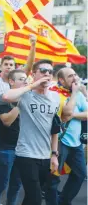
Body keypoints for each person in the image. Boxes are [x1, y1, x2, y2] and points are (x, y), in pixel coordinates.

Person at [0, 34, 36, 205]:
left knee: (12, 179)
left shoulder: (19, 84)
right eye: (5, 64)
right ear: (1, 66)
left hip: (16, 137)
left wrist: (32, 45)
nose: (8, 67)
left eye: (11, 65)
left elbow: (28, 67)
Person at [2, 59, 62, 205]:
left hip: (45, 155)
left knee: (31, 197)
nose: (47, 73)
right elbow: (6, 96)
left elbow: (55, 128)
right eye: (42, 70)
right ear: (34, 74)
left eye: (50, 71)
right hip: (26, 154)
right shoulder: (25, 95)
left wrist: (54, 155)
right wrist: (32, 85)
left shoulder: (55, 98)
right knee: (35, 197)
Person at [45, 67, 87, 205]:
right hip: (59, 142)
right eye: (70, 76)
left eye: (75, 74)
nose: (75, 78)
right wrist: (75, 93)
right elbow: (66, 114)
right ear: (61, 80)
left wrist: (73, 115)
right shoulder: (54, 93)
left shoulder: (79, 94)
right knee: (53, 179)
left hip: (75, 144)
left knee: (80, 175)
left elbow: (84, 114)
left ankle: (63, 201)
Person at [0, 69, 26, 205]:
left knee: (16, 185)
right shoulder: (3, 98)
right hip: (6, 148)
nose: (25, 82)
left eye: (26, 79)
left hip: (22, 149)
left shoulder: (28, 98)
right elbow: (7, 121)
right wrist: (20, 103)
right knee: (1, 185)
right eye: (21, 79)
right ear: (11, 81)